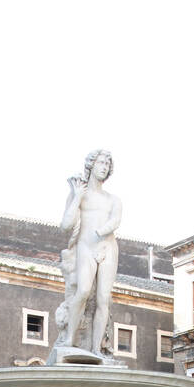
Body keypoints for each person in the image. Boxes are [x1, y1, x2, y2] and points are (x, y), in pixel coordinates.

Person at [51, 149, 122, 358]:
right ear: (91, 165)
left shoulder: (114, 200)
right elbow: (66, 225)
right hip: (85, 246)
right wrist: (77, 196)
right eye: (100, 163)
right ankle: (69, 339)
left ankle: (96, 349)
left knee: (103, 299)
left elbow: (116, 221)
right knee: (82, 291)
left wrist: (101, 232)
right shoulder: (78, 195)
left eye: (107, 165)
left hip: (107, 247)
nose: (104, 167)